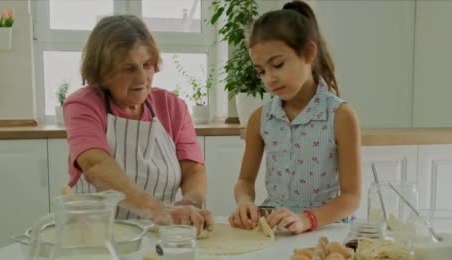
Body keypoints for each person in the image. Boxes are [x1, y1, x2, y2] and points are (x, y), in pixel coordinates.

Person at [63, 15, 213, 235]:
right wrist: (157, 210)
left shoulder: (171, 106)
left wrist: (189, 204)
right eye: (129, 69)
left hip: (160, 234)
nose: (143, 78)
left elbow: (193, 169)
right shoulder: (83, 104)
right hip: (97, 236)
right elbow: (96, 166)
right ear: (103, 72)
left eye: (147, 65)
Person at [229, 1, 362, 234]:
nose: (269, 78)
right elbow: (245, 182)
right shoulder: (260, 119)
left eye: (277, 65)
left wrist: (306, 220)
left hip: (324, 229)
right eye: (261, 71)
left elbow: (351, 197)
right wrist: (245, 203)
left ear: (309, 54)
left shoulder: (340, 116)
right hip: (275, 229)